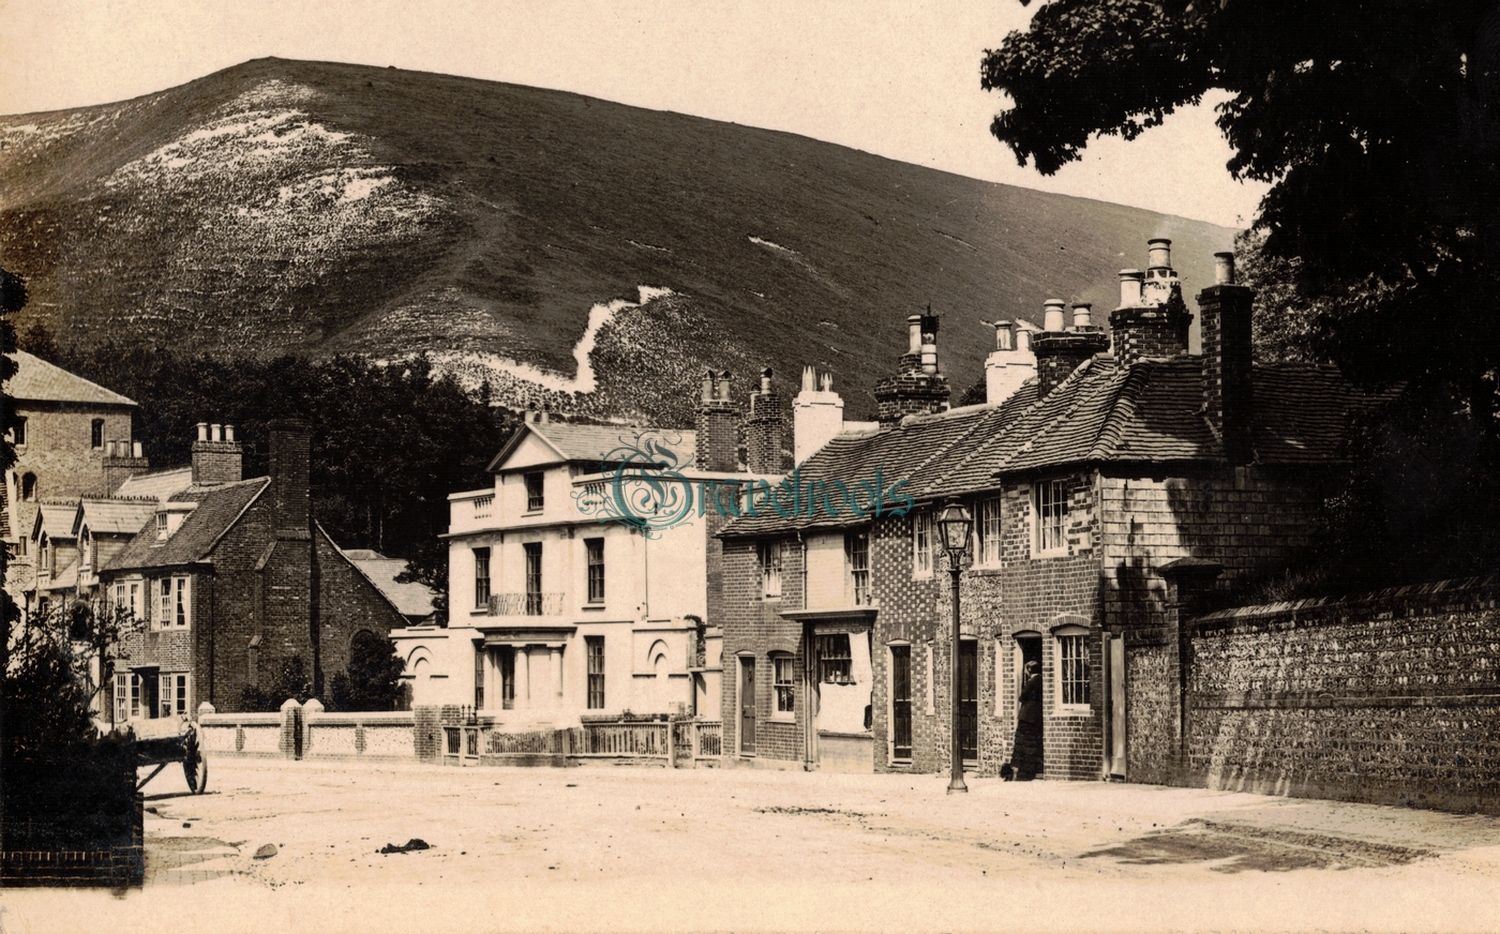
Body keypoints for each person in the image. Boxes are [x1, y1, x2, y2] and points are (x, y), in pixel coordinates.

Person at [1010, 660, 1043, 781]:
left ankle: (1023, 772)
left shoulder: (1032, 682)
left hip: (1027, 717)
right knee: (1033, 743)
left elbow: (1022, 697)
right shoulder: (1042, 681)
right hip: (1036, 717)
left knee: (1023, 743)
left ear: (1029, 670)